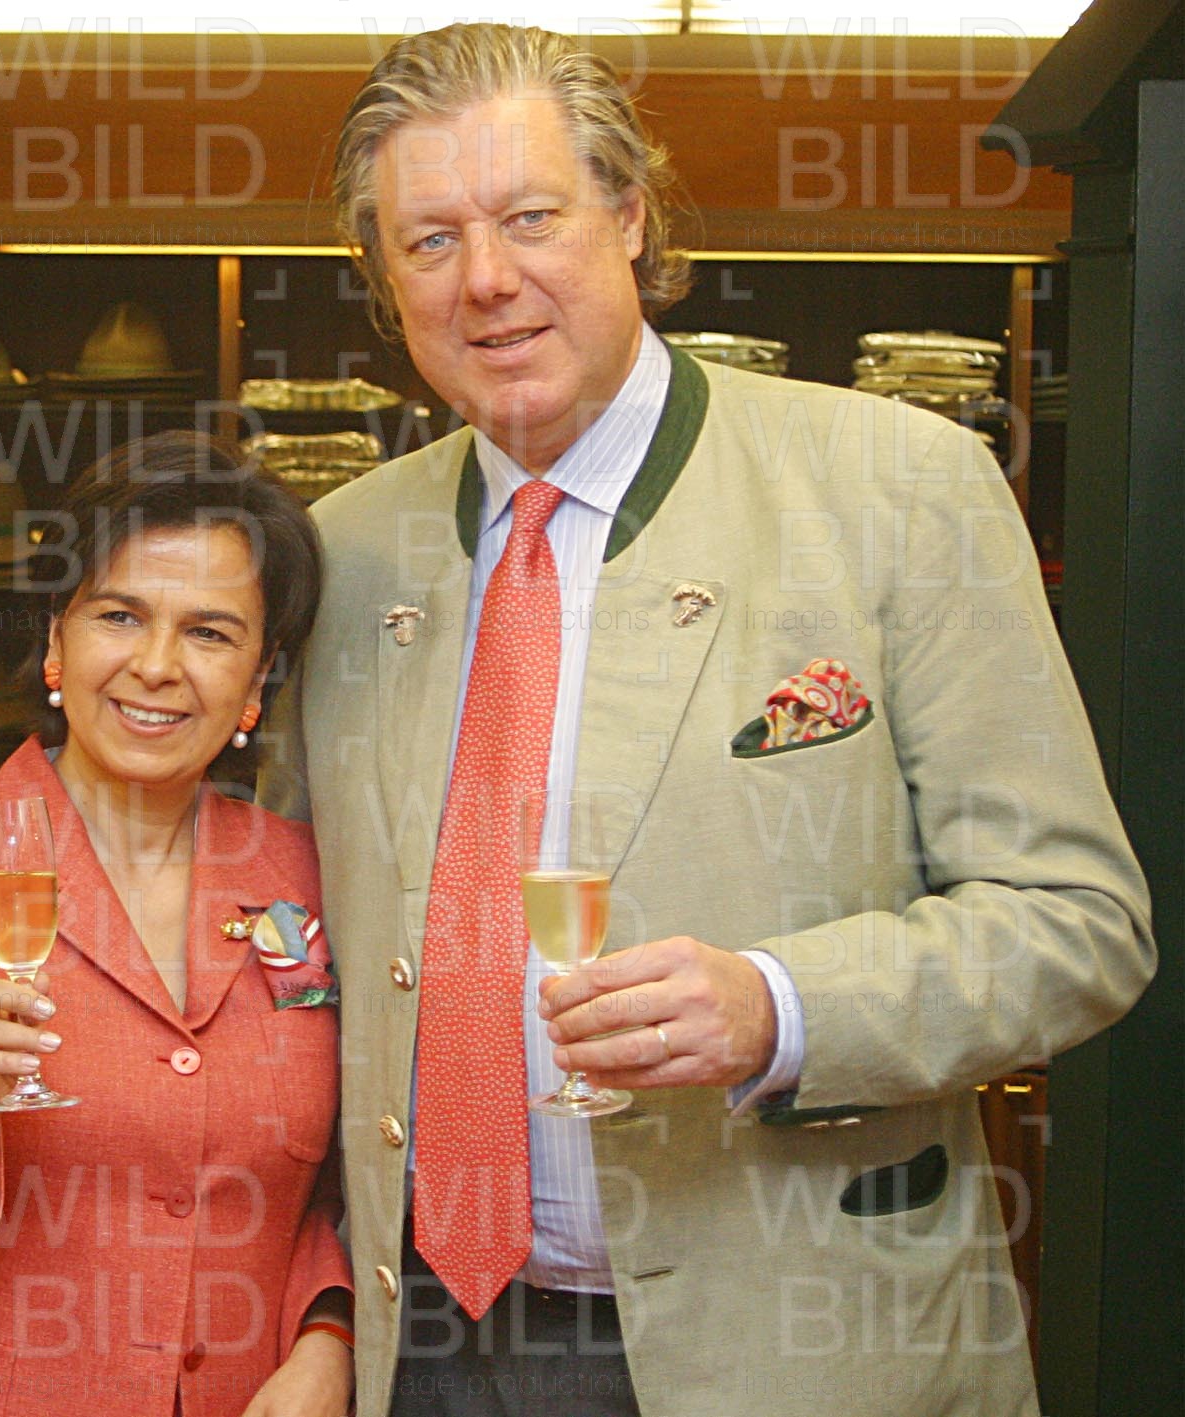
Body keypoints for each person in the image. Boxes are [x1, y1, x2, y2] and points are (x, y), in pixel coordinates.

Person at [258, 23, 1155, 1417]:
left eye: (528, 217)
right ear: (385, 281)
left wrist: (778, 1007)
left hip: (791, 1346)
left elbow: (1076, 924)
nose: (483, 277)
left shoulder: (897, 488)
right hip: (422, 1346)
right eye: (428, 240)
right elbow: (285, 942)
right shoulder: (341, 549)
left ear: (629, 215)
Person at [0, 432, 354, 1417]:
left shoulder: (308, 871)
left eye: (210, 633)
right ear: (55, 642)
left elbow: (339, 1188)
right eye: (119, 615)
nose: (156, 665)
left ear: (259, 681)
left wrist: (327, 1335)